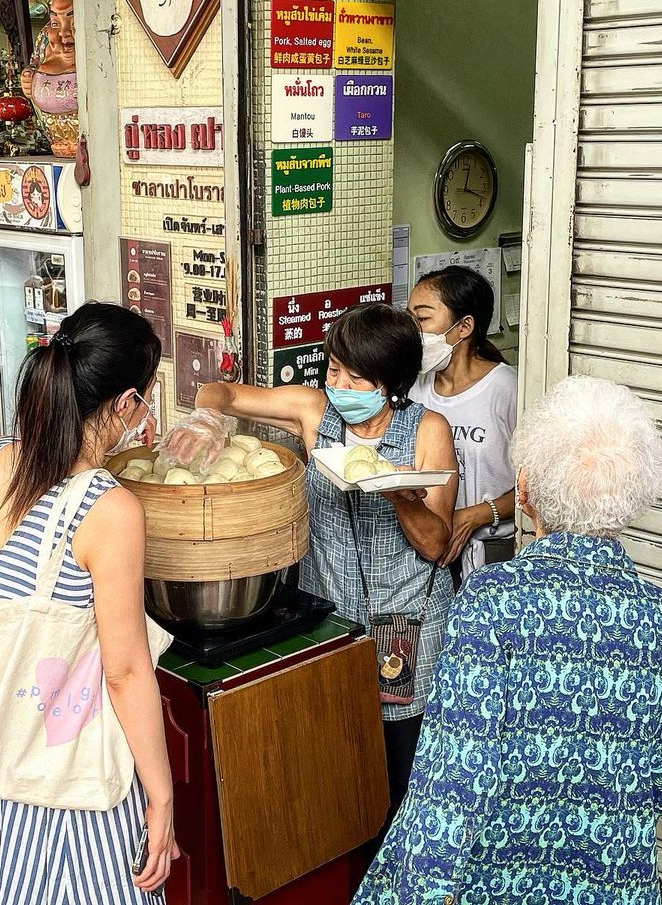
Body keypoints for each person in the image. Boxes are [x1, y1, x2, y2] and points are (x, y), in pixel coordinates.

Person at [354, 376, 662, 905]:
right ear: (634, 501)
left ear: (522, 491)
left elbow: (450, 786)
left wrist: (416, 892)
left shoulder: (490, 604)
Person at [161, 303, 459, 841]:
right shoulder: (316, 413)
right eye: (333, 367)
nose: (337, 382)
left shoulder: (427, 431)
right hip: (332, 623)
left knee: (398, 773)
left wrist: (396, 492)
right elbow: (221, 392)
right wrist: (208, 417)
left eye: (353, 375)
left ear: (389, 382)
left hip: (407, 627)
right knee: (334, 766)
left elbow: (437, 545)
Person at [0, 302, 178, 904]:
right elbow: (123, 671)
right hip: (62, 742)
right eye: (145, 399)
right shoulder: (109, 510)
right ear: (124, 405)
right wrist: (161, 794)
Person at [409, 266, 517, 586]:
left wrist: (475, 516)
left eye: (422, 319)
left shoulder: (507, 390)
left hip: (493, 553)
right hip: (430, 549)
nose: (413, 330)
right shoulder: (416, 386)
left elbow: (540, 485)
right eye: (409, 319)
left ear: (464, 326)